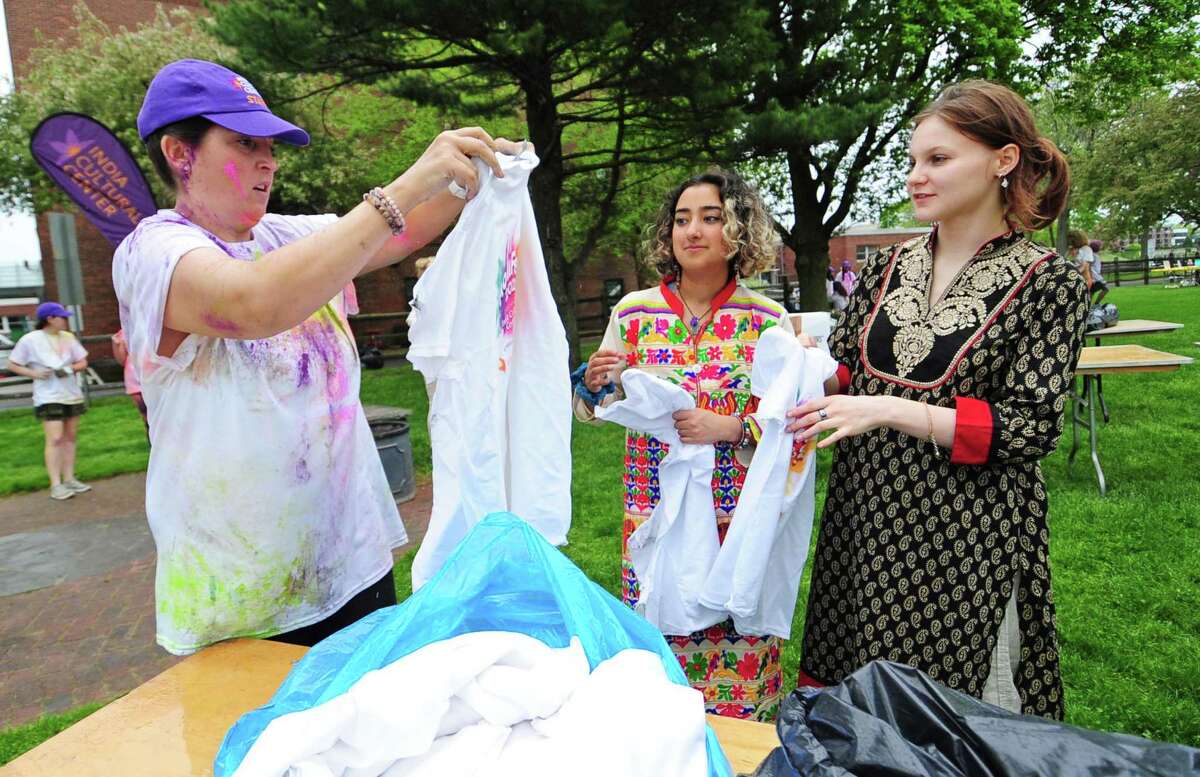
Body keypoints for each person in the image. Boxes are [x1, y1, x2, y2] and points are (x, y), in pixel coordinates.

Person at [114, 58, 525, 655]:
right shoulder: (153, 252)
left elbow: (398, 232)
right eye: (245, 143)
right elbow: (255, 303)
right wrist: (407, 184)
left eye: (270, 146)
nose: (268, 161)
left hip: (352, 570)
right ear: (180, 153)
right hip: (245, 601)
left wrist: (476, 178)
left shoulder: (283, 235)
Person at [786, 80, 1087, 720]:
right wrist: (789, 366)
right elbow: (846, 372)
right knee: (856, 701)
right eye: (914, 161)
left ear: (1003, 161)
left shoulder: (1049, 281)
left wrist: (889, 409)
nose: (917, 177)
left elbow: (1029, 428)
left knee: (949, 720)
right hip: (865, 517)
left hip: (967, 530)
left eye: (938, 159)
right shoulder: (882, 267)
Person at [574, 169, 795, 722]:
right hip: (654, 513)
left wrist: (730, 429)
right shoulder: (632, 314)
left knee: (734, 639)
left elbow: (793, 425)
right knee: (658, 675)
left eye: (711, 217)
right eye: (682, 219)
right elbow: (591, 411)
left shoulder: (768, 322)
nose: (692, 230)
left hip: (736, 518)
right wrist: (594, 387)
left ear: (739, 230)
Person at [6, 301, 91, 500]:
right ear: (50, 319)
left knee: (70, 437)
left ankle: (70, 478)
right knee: (55, 438)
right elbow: (13, 363)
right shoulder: (30, 339)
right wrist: (34, 373)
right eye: (62, 317)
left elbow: (83, 361)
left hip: (71, 394)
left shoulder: (68, 338)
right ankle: (56, 484)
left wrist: (68, 369)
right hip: (48, 395)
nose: (65, 320)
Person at [111, 328, 150, 442]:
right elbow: (122, 360)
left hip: (153, 374)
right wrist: (117, 346)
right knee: (145, 413)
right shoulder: (124, 331)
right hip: (134, 377)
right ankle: (152, 443)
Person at [1087, 238, 1110, 303]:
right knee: (1106, 289)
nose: (1101, 247)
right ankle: (1096, 304)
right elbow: (1089, 267)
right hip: (1095, 278)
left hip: (1095, 277)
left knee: (1092, 292)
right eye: (1100, 246)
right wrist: (1091, 278)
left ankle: (1088, 308)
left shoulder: (1094, 255)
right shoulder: (1093, 256)